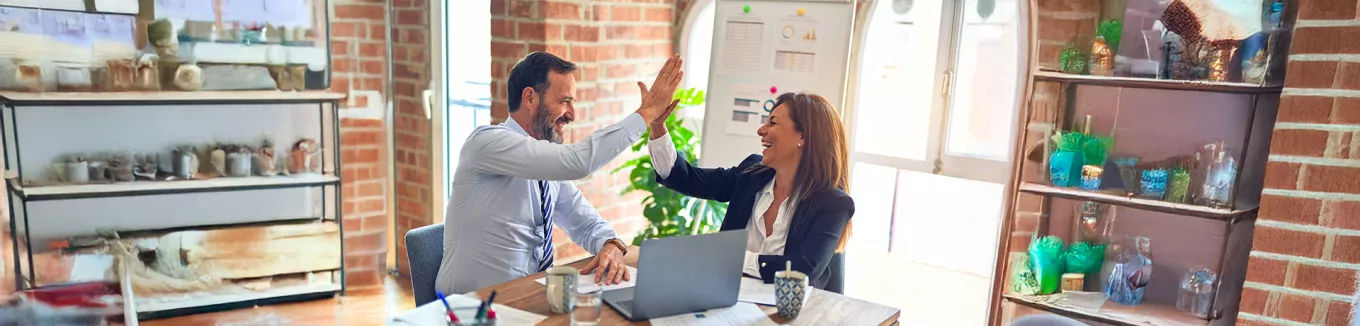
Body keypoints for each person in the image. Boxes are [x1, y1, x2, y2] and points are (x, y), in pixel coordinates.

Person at [435, 52, 684, 295]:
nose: (571, 115)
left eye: (572, 103)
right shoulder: (486, 143)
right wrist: (647, 112)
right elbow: (578, 162)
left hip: (526, 301)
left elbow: (584, 221)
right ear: (530, 98)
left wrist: (611, 244)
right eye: (564, 101)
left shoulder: (546, 168)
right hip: (469, 309)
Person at [647, 92, 853, 290]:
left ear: (803, 137)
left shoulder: (833, 203)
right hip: (726, 299)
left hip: (790, 314)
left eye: (773, 122)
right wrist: (657, 126)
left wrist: (731, 257)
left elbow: (803, 270)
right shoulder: (751, 174)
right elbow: (686, 178)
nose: (761, 130)